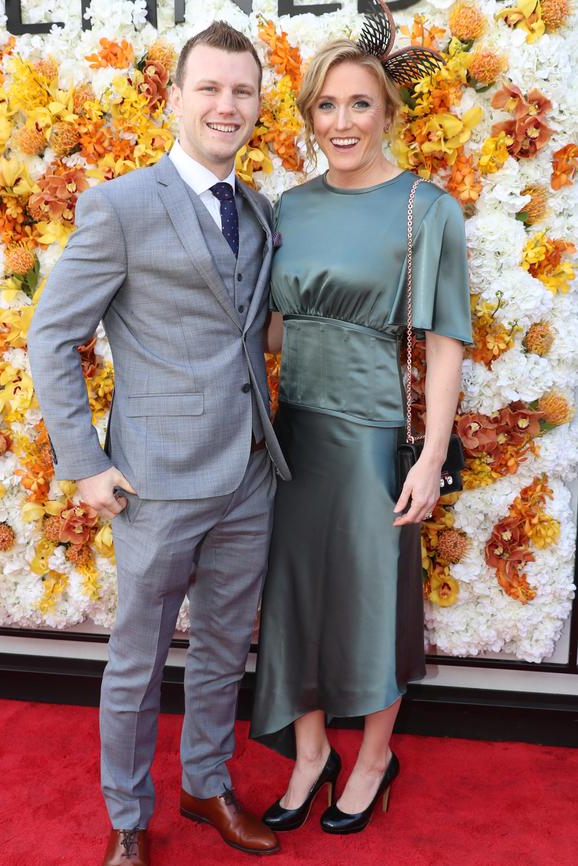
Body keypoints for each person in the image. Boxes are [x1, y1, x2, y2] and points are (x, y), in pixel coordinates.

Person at [28, 21, 291, 866]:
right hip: (154, 480)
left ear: (257, 104)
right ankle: (129, 819)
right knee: (137, 664)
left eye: (241, 90)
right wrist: (86, 464)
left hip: (251, 473)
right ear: (174, 99)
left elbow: (254, 332)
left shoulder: (258, 207)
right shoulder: (120, 205)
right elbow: (51, 339)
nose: (226, 104)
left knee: (223, 648)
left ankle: (205, 783)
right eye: (209, 88)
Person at [250, 22, 473, 837]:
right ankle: (311, 752)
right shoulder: (288, 207)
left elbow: (445, 339)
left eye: (360, 104)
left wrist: (434, 451)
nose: (342, 122)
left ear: (388, 112)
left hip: (376, 438)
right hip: (295, 434)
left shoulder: (426, 208)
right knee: (293, 596)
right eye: (326, 106)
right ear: (309, 115)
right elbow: (273, 327)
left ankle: (374, 756)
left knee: (377, 599)